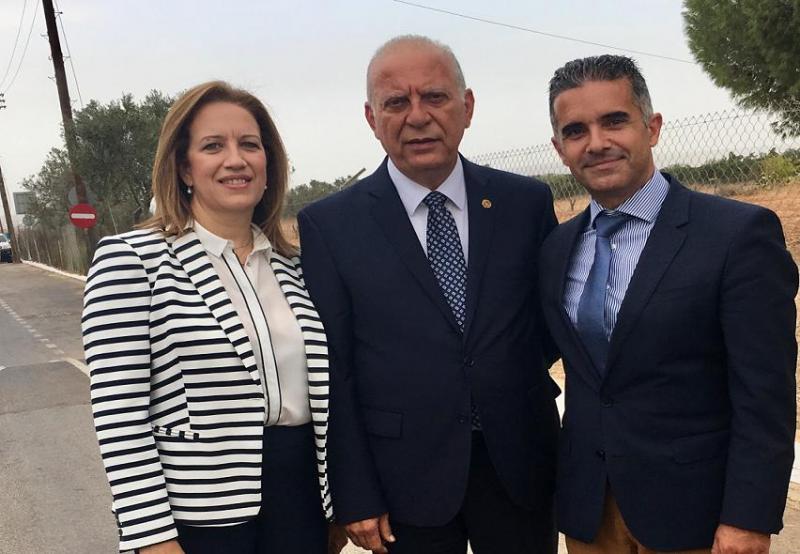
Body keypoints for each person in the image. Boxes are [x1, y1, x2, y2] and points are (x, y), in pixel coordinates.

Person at [298, 35, 560, 554]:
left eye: (435, 97)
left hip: (520, 462)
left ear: (467, 107)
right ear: (372, 119)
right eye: (396, 102)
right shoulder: (330, 226)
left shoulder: (525, 203)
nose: (417, 117)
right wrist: (355, 492)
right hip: (403, 478)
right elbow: (336, 369)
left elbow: (548, 325)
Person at [540, 54, 798, 554]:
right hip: (590, 512)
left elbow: (764, 393)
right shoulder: (556, 248)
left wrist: (748, 516)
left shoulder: (736, 235)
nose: (597, 142)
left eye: (615, 121)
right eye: (576, 131)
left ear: (652, 127)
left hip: (695, 514)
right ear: (559, 148)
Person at [82, 81, 347, 554]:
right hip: (198, 512)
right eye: (213, 146)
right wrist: (152, 537)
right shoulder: (132, 261)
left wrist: (336, 504)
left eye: (249, 144)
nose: (235, 160)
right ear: (184, 166)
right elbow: (119, 415)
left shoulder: (296, 266)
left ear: (268, 163)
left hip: (302, 499)